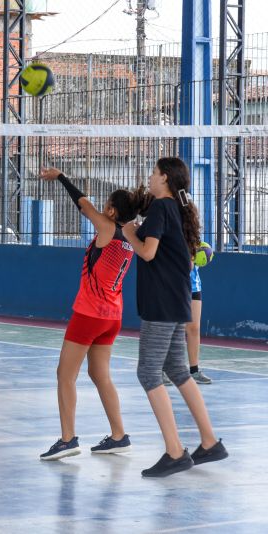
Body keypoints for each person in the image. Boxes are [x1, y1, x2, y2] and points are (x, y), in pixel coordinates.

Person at [122, 157, 228, 478]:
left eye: (153, 173)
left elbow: (148, 252)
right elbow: (162, 247)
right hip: (177, 299)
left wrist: (128, 232)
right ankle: (209, 442)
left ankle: (175, 451)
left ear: (165, 178)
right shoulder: (176, 210)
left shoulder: (160, 207)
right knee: (178, 370)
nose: (150, 178)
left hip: (162, 303)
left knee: (148, 373)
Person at [38, 168, 147, 461]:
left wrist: (61, 177)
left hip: (90, 314)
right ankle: (118, 435)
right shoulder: (131, 234)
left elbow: (82, 204)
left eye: (107, 205)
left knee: (64, 375)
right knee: (100, 375)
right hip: (112, 317)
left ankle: (67, 439)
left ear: (111, 209)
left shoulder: (108, 228)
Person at [163, 264, 212, 386]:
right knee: (170, 327)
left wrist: (203, 256)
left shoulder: (198, 244)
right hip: (173, 284)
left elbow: (196, 262)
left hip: (194, 285)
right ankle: (162, 369)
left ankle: (194, 371)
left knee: (194, 328)